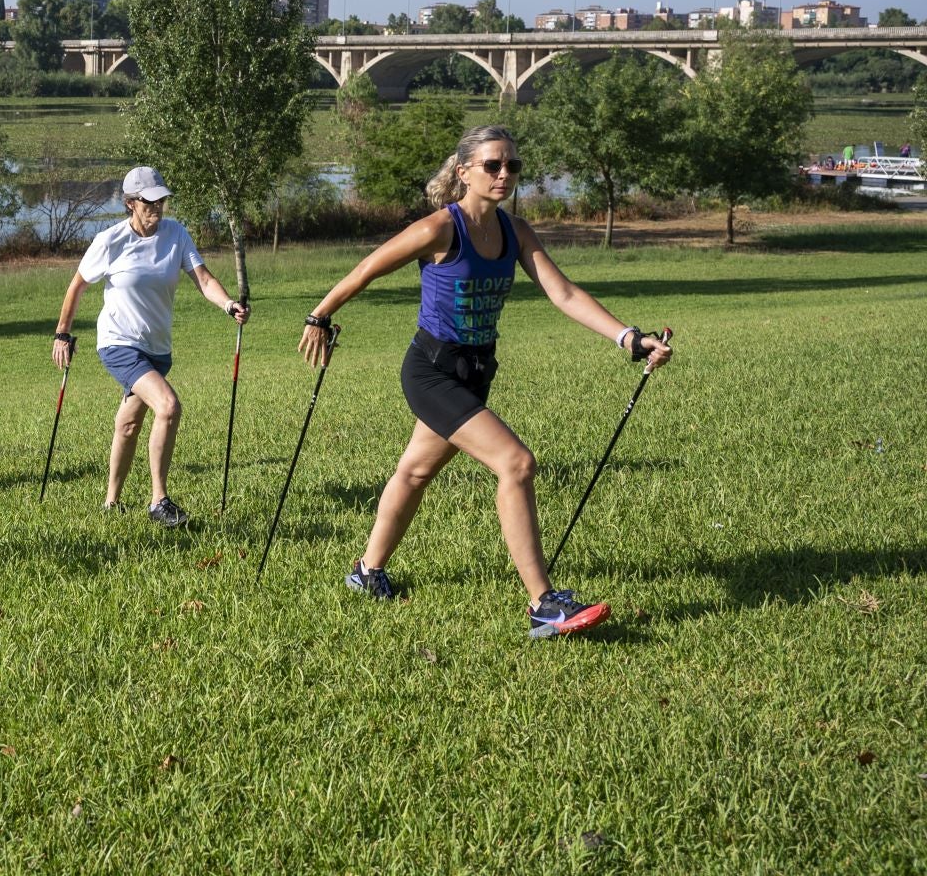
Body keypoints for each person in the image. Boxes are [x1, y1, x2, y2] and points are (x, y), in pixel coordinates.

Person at [297, 125, 674, 639]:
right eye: (492, 165)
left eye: (512, 166)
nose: (504, 174)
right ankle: (544, 605)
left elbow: (562, 293)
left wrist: (627, 337)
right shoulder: (439, 228)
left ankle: (367, 572)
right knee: (516, 463)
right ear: (464, 172)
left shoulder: (516, 231)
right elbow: (367, 269)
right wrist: (319, 316)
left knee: (415, 472)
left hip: (476, 372)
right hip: (431, 370)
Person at [51, 166, 248, 528]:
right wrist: (62, 333)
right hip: (119, 343)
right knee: (168, 406)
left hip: (157, 348)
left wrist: (227, 304)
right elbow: (78, 285)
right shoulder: (110, 241)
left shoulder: (176, 234)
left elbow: (203, 279)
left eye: (161, 200)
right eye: (149, 201)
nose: (157, 207)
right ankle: (159, 500)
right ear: (130, 203)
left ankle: (111, 502)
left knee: (129, 424)